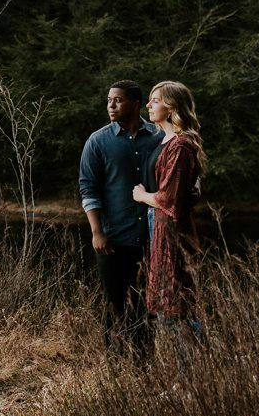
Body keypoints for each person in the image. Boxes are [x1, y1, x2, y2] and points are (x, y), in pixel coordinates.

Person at [78, 79, 163, 352]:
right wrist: (97, 232)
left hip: (152, 238)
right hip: (113, 238)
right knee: (114, 304)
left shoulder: (159, 137)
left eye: (118, 100)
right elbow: (88, 187)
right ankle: (115, 367)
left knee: (146, 305)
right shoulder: (98, 141)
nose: (111, 105)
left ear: (136, 104)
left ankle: (143, 364)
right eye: (109, 100)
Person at [132, 80, 205, 350]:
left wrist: (143, 197)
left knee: (176, 305)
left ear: (171, 107)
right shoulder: (164, 140)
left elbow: (169, 198)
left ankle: (198, 372)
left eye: (155, 100)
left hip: (171, 227)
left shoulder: (181, 146)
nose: (148, 105)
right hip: (158, 224)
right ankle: (189, 374)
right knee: (166, 303)